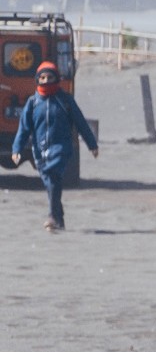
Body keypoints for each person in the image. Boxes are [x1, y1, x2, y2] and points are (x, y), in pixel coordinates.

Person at [11, 61, 97, 232]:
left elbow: (80, 123)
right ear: (37, 80)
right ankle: (59, 217)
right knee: (51, 181)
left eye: (50, 77)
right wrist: (16, 149)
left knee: (52, 175)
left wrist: (92, 144)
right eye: (42, 77)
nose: (46, 81)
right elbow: (24, 127)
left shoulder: (65, 100)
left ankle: (51, 216)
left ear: (56, 78)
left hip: (61, 148)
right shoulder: (33, 102)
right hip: (40, 150)